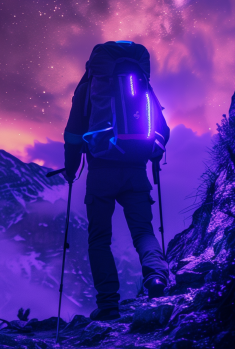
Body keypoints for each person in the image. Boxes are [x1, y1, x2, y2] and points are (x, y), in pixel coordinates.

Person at [63, 40, 170, 322]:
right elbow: (163, 129)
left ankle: (108, 304)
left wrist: (71, 168)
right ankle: (157, 277)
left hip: (100, 173)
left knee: (99, 239)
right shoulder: (142, 85)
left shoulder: (89, 87)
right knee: (143, 231)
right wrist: (152, 153)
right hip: (136, 169)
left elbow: (73, 134)